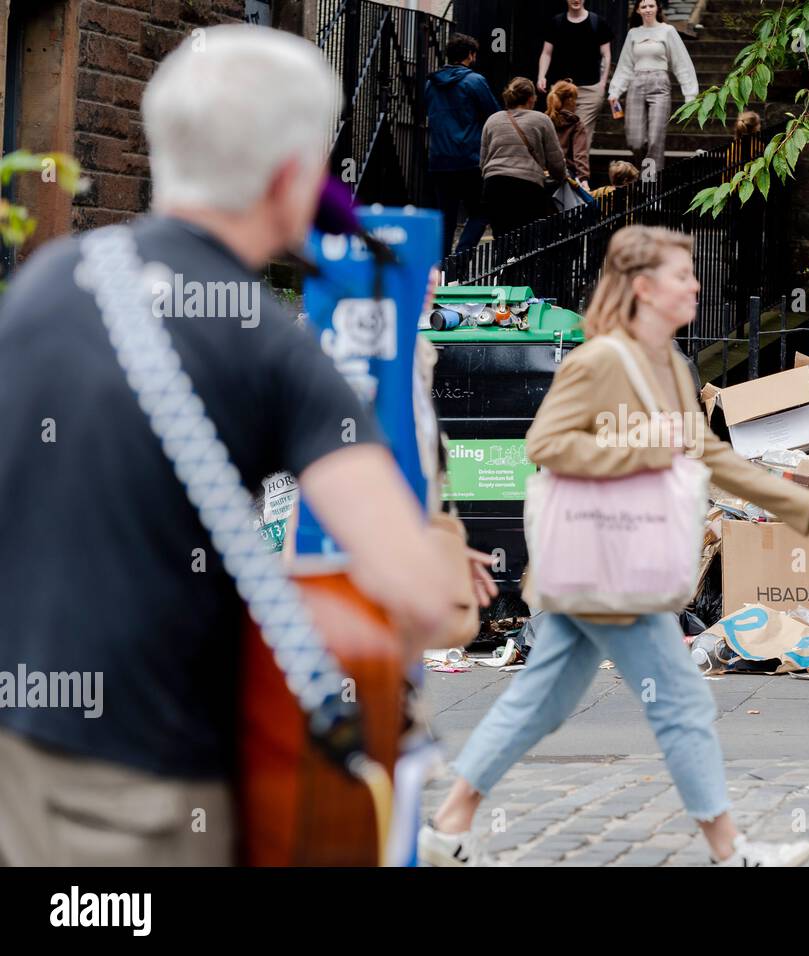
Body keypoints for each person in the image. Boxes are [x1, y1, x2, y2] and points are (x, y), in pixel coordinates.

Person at [0, 26, 495, 867]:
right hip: (154, 791)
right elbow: (416, 595)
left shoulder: (45, 283)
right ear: (294, 177)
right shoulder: (270, 346)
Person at [422, 225, 809, 868]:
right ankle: (730, 851)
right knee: (679, 703)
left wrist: (800, 503)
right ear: (645, 288)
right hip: (609, 564)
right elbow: (545, 445)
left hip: (608, 568)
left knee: (544, 698)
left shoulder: (668, 365)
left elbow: (705, 453)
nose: (695, 285)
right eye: (683, 275)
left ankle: (450, 825)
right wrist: (638, 454)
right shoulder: (601, 360)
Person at [424, 33, 499, 260]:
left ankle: (442, 268)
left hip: (439, 160)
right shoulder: (475, 82)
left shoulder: (431, 84)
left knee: (445, 218)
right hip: (469, 159)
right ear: (470, 55)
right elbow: (494, 116)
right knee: (481, 211)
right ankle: (461, 255)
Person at [608, 0, 698, 182]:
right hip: (636, 83)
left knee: (655, 140)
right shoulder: (634, 33)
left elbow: (682, 62)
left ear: (657, 8)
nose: (648, 9)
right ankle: (643, 172)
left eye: (651, 5)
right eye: (644, 6)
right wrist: (615, 91)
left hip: (659, 85)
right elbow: (625, 65)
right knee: (635, 140)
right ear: (638, 11)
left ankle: (650, 187)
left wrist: (690, 94)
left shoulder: (668, 31)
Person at [480, 78, 568, 238]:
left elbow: (483, 160)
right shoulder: (541, 120)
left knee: (501, 238)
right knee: (526, 240)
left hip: (494, 185)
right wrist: (561, 178)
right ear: (531, 98)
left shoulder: (492, 120)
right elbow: (556, 162)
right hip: (527, 187)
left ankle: (504, 262)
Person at [538, 0, 613, 139]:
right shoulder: (556, 22)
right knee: (561, 136)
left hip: (590, 89)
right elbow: (546, 53)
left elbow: (606, 55)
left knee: (581, 135)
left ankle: (578, 161)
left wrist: (602, 83)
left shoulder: (597, 22)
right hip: (562, 90)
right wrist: (541, 76)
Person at [546, 79, 591, 190]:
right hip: (566, 176)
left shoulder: (543, 119)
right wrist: (583, 179)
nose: (576, 102)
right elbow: (580, 154)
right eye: (576, 99)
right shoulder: (576, 124)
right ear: (570, 100)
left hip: (542, 174)